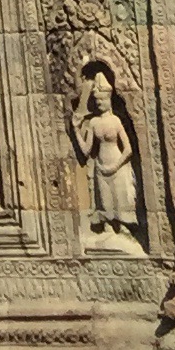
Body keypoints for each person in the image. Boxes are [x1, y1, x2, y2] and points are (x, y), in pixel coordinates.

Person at [71, 65, 139, 241]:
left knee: (121, 199)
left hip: (118, 164)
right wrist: (76, 130)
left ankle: (124, 229)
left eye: (102, 99)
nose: (99, 103)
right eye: (97, 100)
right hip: (101, 166)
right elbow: (86, 150)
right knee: (105, 201)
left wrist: (116, 165)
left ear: (110, 99)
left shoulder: (115, 121)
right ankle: (108, 229)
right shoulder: (93, 123)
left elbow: (128, 149)